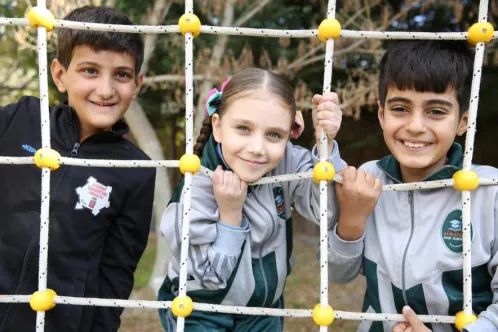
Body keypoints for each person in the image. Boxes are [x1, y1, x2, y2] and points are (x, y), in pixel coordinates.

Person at [0, 6, 156, 332]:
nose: (105, 89)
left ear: (137, 84)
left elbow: (117, 270)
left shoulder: (136, 170)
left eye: (122, 75)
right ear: (59, 75)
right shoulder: (22, 118)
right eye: (90, 70)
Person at [327, 39, 498, 332]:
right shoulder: (366, 179)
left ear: (463, 122)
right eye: (400, 108)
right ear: (382, 115)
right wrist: (352, 221)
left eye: (436, 112)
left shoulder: (488, 190)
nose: (416, 126)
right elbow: (336, 274)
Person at [157, 67, 346, 331]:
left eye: (273, 135)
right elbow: (210, 278)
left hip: (263, 311)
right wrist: (230, 216)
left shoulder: (286, 161)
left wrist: (324, 147)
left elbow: (325, 211)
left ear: (289, 135)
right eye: (243, 128)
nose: (257, 148)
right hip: (199, 312)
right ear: (218, 127)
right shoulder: (195, 189)